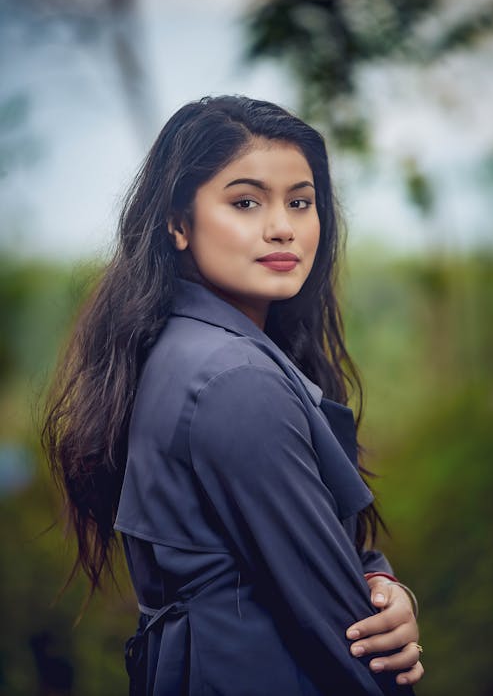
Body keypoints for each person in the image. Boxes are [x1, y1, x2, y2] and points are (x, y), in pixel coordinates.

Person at [42, 95, 424, 695]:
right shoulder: (233, 379)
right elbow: (342, 633)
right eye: (246, 202)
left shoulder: (181, 346)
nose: (283, 227)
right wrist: (375, 610)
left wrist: (384, 586)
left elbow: (325, 556)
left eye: (301, 202)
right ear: (177, 222)